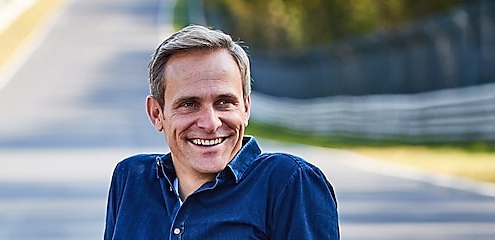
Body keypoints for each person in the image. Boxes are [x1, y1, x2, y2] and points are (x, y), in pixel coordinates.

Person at [104, 25, 339, 239]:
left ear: (246, 108)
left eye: (224, 102)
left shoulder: (288, 181)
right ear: (157, 114)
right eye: (189, 104)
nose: (210, 123)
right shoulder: (130, 179)